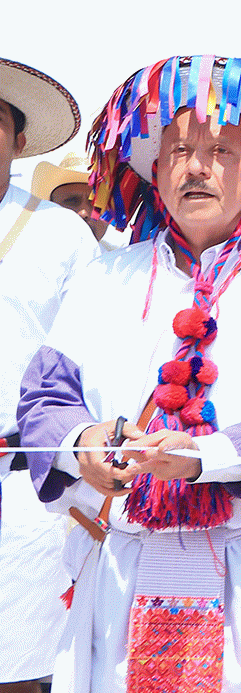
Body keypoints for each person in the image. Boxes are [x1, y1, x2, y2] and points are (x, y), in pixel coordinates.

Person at [17, 54, 241, 693]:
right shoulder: (104, 278)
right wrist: (82, 443)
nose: (197, 167)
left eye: (222, 149)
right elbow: (46, 396)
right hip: (123, 568)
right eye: (180, 150)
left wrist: (203, 457)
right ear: (157, 168)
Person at [0, 58, 99, 693]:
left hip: (25, 486)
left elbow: (90, 371)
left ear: (16, 140)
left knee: (25, 669)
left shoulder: (62, 235)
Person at [31, 150, 119, 247]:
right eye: (71, 201)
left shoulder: (120, 260)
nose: (84, 213)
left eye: (96, 203)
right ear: (50, 208)